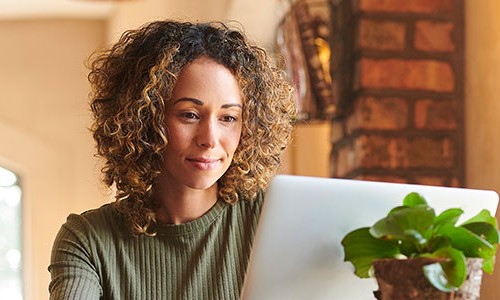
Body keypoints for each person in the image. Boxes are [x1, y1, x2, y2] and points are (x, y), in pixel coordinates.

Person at [48, 20, 295, 299]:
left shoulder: (272, 219)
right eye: (189, 114)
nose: (210, 138)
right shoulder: (89, 241)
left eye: (228, 118)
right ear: (145, 120)